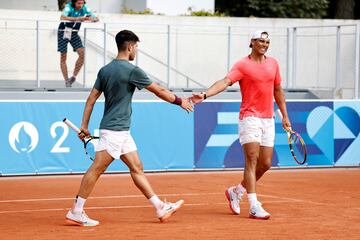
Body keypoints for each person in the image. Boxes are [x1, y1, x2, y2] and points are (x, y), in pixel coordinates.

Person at [65, 30, 193, 226]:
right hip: (114, 129)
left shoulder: (105, 70)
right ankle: (76, 210)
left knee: (136, 167)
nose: (136, 51)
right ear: (130, 46)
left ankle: (159, 206)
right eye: (136, 47)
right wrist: (179, 101)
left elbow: (91, 99)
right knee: (97, 169)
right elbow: (158, 90)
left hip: (121, 130)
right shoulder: (133, 70)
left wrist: (84, 125)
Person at [190, 30, 291, 220]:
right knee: (251, 159)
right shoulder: (243, 65)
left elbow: (278, 90)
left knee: (266, 163)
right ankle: (253, 205)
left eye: (267, 42)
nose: (264, 44)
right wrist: (205, 95)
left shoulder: (274, 64)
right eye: (261, 41)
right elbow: (225, 82)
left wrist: (285, 116)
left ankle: (237, 191)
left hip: (268, 118)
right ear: (251, 42)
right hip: (249, 117)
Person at [58, 0, 99, 87]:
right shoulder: (69, 6)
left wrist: (90, 19)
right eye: (78, 3)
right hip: (63, 31)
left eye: (82, 3)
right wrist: (78, 19)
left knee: (82, 54)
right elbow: (62, 17)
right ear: (74, 3)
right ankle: (66, 80)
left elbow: (97, 18)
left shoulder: (85, 8)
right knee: (63, 56)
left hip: (74, 32)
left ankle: (73, 76)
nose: (80, 5)